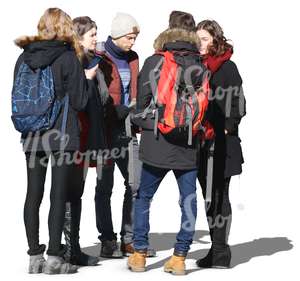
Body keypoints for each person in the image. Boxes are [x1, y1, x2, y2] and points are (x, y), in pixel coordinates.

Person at [13, 7, 97, 274]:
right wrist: (87, 80)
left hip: (31, 134)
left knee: (32, 195)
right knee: (58, 195)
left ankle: (34, 257)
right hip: (62, 136)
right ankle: (54, 257)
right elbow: (80, 101)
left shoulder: (23, 58)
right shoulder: (68, 57)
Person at [127, 11, 207, 275]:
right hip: (188, 144)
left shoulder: (154, 61)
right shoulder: (200, 64)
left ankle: (139, 254)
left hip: (156, 143)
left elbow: (141, 106)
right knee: (188, 200)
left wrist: (152, 123)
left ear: (168, 30)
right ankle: (180, 257)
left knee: (143, 197)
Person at [94, 13, 155, 258]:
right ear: (117, 35)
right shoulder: (98, 57)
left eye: (135, 37)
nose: (132, 42)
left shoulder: (133, 58)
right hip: (104, 132)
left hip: (128, 129)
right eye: (129, 37)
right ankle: (107, 240)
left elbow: (135, 91)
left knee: (136, 184)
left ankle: (128, 238)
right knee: (104, 186)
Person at [195, 19, 246, 268]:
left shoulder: (228, 67)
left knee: (219, 195)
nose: (200, 44)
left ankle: (221, 251)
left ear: (215, 40)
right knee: (208, 195)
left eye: (204, 39)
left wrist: (226, 127)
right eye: (198, 39)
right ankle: (216, 249)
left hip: (223, 143)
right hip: (202, 142)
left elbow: (238, 104)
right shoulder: (196, 66)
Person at [62, 16, 107, 267]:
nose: (96, 39)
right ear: (78, 37)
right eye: (92, 34)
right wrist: (88, 80)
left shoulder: (87, 61)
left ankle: (72, 247)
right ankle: (70, 250)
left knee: (75, 193)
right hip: (73, 139)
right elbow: (76, 101)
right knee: (70, 193)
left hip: (84, 138)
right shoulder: (74, 62)